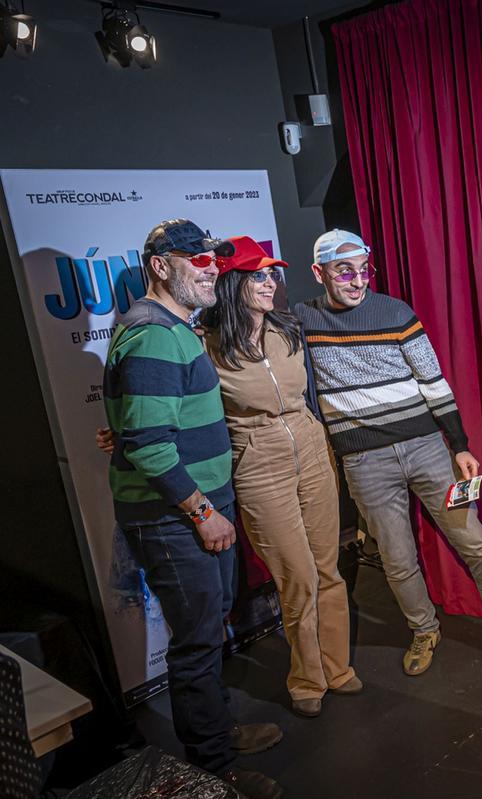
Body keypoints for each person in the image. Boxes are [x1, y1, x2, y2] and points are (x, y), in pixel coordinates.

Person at [292, 229, 482, 684]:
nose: (356, 280)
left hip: (426, 448)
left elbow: (433, 382)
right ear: (319, 272)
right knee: (397, 557)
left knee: (475, 542)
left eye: (362, 269)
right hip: (365, 461)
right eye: (343, 270)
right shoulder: (301, 320)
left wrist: (459, 445)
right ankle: (424, 630)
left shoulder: (395, 312)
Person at [103, 220, 283, 799]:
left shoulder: (177, 327)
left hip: (198, 508)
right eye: (193, 259)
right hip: (176, 518)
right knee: (198, 640)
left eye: (212, 258)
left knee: (213, 623)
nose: (209, 267)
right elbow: (149, 444)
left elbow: (144, 426)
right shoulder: (153, 333)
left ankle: (218, 730)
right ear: (159, 266)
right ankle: (214, 765)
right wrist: (204, 513)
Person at [204, 236, 361, 719]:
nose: (270, 282)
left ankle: (338, 668)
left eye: (272, 273)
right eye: (258, 275)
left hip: (311, 450)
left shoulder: (288, 329)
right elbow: (180, 403)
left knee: (328, 569)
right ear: (233, 282)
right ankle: (306, 677)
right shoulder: (205, 345)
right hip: (257, 461)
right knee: (297, 577)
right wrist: (119, 430)